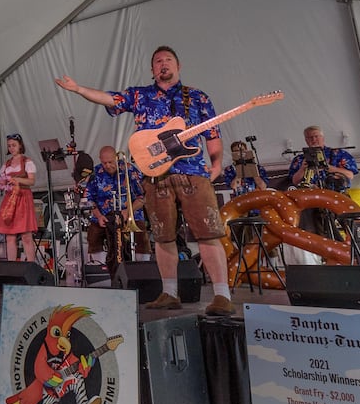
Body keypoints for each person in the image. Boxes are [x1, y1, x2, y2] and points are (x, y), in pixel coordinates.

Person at [55, 45, 234, 314]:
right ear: (152, 69)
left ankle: (222, 295)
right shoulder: (141, 95)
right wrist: (79, 89)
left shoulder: (197, 97)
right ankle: (169, 292)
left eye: (168, 60)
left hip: (193, 172)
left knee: (208, 233)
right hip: (154, 175)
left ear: (178, 66)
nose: (163, 64)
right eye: (158, 61)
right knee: (162, 237)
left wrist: (217, 162)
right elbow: (109, 99)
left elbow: (213, 133)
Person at [83, 146, 145, 280]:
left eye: (111, 162)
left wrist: (128, 211)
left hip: (129, 214)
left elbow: (142, 197)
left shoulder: (130, 169)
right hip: (104, 215)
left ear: (116, 158)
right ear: (100, 160)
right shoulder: (95, 173)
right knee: (93, 235)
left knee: (142, 237)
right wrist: (98, 216)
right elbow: (88, 199)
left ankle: (141, 273)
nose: (107, 165)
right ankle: (102, 274)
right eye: (104, 162)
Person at [0, 134, 39, 264]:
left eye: (14, 145)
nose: (11, 148)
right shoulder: (6, 164)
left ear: (20, 145)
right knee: (10, 236)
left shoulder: (27, 161)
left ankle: (31, 266)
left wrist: (17, 180)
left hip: (23, 198)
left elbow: (32, 181)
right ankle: (11, 267)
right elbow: (4, 182)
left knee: (26, 235)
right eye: (9, 146)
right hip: (10, 200)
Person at [288, 126, 357, 191]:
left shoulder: (340, 154)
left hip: (336, 195)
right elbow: (295, 181)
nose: (313, 139)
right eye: (310, 137)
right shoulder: (299, 159)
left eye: (316, 136)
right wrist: (302, 169)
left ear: (323, 138)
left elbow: (350, 175)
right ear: (306, 140)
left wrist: (330, 168)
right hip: (310, 196)